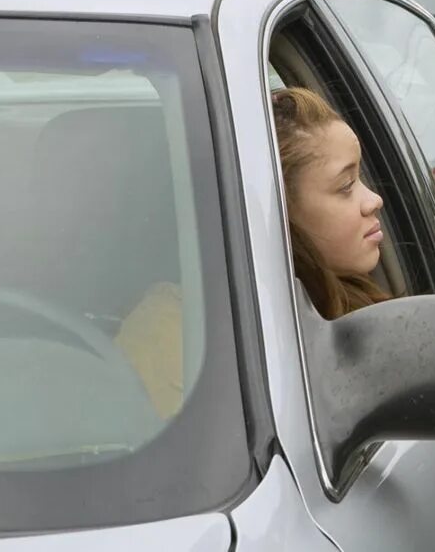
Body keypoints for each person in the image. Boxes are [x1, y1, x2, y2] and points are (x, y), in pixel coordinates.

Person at [117, 85, 389, 415]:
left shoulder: (349, 298)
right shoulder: (173, 341)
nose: (375, 199)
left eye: (359, 178)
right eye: (346, 186)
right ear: (274, 213)